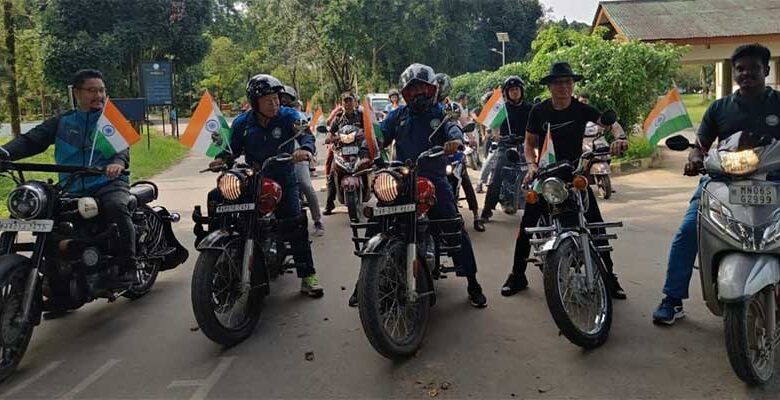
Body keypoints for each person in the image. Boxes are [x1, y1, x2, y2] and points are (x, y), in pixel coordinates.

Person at [652, 43, 780, 325]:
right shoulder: (720, 108)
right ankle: (672, 299)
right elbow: (700, 146)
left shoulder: (778, 103)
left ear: (766, 70)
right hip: (725, 180)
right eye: (740, 69)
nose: (746, 73)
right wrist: (694, 158)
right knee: (689, 232)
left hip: (774, 180)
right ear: (734, 73)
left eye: (753, 68)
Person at [350, 63, 488, 308]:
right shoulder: (398, 115)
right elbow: (380, 135)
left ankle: (472, 282)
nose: (418, 95)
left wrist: (455, 140)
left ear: (432, 89)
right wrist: (364, 153)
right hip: (401, 180)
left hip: (433, 178)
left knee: (452, 225)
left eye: (422, 89)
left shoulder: (442, 113)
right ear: (405, 94)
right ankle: (363, 282)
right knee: (376, 222)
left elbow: (453, 128)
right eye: (412, 91)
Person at [501, 62, 629, 298]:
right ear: (550, 86)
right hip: (546, 174)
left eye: (568, 82)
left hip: (575, 172)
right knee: (527, 224)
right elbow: (529, 144)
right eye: (559, 82)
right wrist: (531, 166)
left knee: (595, 223)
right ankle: (517, 275)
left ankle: (609, 277)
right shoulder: (539, 111)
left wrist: (620, 137)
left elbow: (610, 123)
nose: (564, 86)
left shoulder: (582, 109)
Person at [0, 69, 136, 288]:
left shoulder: (109, 122)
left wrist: (117, 164)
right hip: (70, 186)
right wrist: (5, 153)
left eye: (101, 90)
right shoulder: (62, 122)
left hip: (106, 182)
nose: (98, 96)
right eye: (92, 90)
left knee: (116, 207)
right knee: (45, 217)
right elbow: (31, 140)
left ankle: (128, 265)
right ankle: (59, 284)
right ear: (77, 93)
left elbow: (121, 149)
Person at [207, 74, 324, 298]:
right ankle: (220, 255)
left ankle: (308, 275)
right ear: (255, 102)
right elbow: (232, 149)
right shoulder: (242, 123)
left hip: (283, 177)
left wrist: (306, 150)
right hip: (253, 178)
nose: (274, 104)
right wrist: (222, 159)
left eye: (276, 99)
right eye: (268, 100)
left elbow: (306, 135)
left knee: (295, 222)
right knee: (219, 199)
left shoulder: (289, 116)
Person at [480, 76, 533, 224]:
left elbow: (536, 126)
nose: (515, 92)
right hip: (506, 146)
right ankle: (486, 210)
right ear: (506, 92)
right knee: (497, 176)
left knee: (536, 173)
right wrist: (497, 136)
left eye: (517, 89)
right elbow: (494, 127)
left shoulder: (529, 108)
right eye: (511, 90)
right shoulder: (501, 108)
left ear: (521, 91)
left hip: (525, 146)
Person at [279, 85, 325, 237]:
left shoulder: (296, 116)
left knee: (305, 185)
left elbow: (306, 135)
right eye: (280, 98)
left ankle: (317, 220)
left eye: (286, 99)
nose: (282, 102)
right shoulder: (267, 117)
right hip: (276, 162)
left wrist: (304, 150)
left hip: (296, 158)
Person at [324, 91, 363, 215]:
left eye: (350, 100)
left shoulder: (361, 115)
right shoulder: (339, 117)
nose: (348, 103)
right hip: (341, 149)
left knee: (372, 166)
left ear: (354, 102)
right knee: (332, 174)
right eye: (345, 101)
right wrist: (329, 137)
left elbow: (370, 128)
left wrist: (367, 134)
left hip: (358, 147)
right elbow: (331, 131)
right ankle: (329, 205)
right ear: (342, 104)